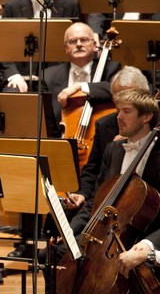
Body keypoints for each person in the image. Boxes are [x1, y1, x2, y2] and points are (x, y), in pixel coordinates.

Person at [54, 89, 160, 292]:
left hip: (142, 238)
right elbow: (97, 202)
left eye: (126, 111)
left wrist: (147, 245)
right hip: (103, 236)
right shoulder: (113, 150)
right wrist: (70, 231)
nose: (118, 117)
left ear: (146, 116)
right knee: (59, 253)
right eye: (118, 110)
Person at [63, 65, 150, 210]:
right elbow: (92, 168)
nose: (121, 104)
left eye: (129, 97)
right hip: (107, 202)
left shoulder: (155, 126)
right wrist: (82, 194)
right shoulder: (104, 125)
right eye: (117, 99)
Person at [0, 0, 81, 92]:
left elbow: (75, 45)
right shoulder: (13, 6)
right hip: (22, 75)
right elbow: (2, 46)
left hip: (58, 76)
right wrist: (13, 74)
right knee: (12, 94)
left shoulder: (70, 5)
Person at [43, 22, 121, 135]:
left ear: (94, 45)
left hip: (100, 140)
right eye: (72, 41)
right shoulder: (48, 76)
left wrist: (80, 86)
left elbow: (117, 89)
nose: (78, 44)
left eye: (84, 40)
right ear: (65, 48)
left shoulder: (111, 68)